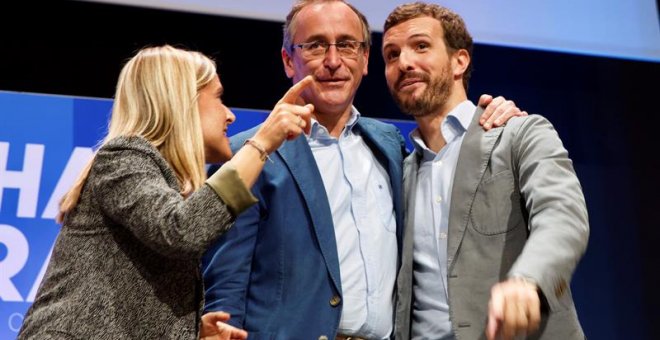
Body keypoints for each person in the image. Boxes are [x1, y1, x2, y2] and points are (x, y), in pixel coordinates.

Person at [202, 1, 524, 339]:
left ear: (366, 59)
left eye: (347, 45)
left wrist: (497, 111)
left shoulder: (390, 145)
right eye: (314, 45)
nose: (333, 61)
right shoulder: (248, 154)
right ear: (288, 61)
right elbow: (225, 286)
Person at [17, 44, 316, 339]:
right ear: (183, 102)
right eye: (219, 98)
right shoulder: (123, 156)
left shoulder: (158, 179)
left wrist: (187, 332)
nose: (230, 115)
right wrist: (262, 143)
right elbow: (182, 232)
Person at [381, 3, 590, 340]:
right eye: (391, 55)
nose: (403, 63)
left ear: (459, 61)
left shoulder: (518, 132)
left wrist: (528, 279)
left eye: (421, 46)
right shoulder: (399, 173)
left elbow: (562, 214)